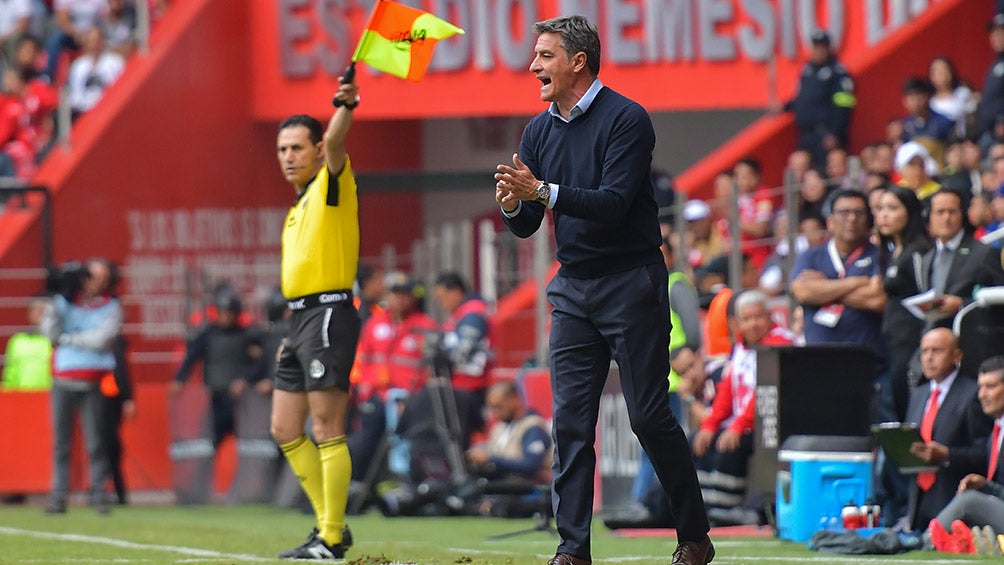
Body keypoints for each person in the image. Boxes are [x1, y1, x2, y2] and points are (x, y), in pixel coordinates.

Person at [493, 15, 712, 565]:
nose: (532, 66)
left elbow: (613, 205)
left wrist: (540, 189)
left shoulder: (627, 119)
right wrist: (514, 204)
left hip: (631, 282)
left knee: (647, 417)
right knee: (569, 421)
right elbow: (528, 224)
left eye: (544, 56)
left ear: (577, 62)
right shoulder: (538, 130)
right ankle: (572, 551)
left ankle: (694, 535)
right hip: (572, 286)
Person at [269, 75, 362, 560]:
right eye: (282, 148)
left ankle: (329, 535)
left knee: (327, 427)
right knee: (285, 429)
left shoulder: (331, 181)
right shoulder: (301, 201)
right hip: (300, 320)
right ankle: (332, 527)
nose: (287, 156)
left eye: (296, 147)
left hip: (329, 313)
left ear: (317, 149)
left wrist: (344, 104)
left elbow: (339, 138)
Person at [692, 290, 793, 526]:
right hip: (745, 423)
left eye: (759, 317)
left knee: (730, 446)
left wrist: (738, 426)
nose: (753, 323)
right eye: (747, 319)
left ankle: (728, 509)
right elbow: (727, 390)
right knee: (698, 441)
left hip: (774, 423)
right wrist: (709, 425)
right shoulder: (740, 346)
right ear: (737, 323)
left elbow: (765, 393)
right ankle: (702, 508)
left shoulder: (780, 343)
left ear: (770, 317)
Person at [40, 257, 122, 515]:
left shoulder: (111, 306)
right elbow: (47, 332)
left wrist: (68, 339)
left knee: (95, 442)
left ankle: (99, 494)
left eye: (99, 277)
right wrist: (57, 298)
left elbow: (99, 340)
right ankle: (58, 497)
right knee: (60, 443)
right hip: (63, 378)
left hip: (92, 380)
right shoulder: (64, 302)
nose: (93, 282)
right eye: (90, 276)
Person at [790, 189, 887, 390]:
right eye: (844, 213)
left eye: (859, 213)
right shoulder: (810, 256)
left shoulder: (880, 254)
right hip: (819, 367)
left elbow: (877, 299)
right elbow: (802, 291)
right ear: (830, 221)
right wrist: (857, 282)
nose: (851, 219)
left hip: (869, 369)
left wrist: (824, 286)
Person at [903, 328, 992, 533]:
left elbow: (985, 453)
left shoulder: (973, 394)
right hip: (919, 498)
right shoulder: (919, 394)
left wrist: (946, 454)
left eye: (937, 351)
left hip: (953, 496)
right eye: (924, 351)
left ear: (957, 355)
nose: (928, 358)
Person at [927, 356, 1004, 555]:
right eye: (981, 387)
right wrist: (985, 485)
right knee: (967, 495)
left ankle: (926, 541)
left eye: (990, 387)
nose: (982, 395)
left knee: (969, 501)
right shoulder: (997, 429)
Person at [170, 288, 260, 448]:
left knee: (247, 446)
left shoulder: (247, 336)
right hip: (215, 398)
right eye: (223, 312)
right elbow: (191, 356)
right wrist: (180, 379)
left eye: (230, 312)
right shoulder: (208, 335)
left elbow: (260, 364)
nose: (226, 316)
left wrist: (246, 380)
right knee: (207, 445)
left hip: (242, 401)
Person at [785, 29, 855, 168]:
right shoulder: (807, 70)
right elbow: (803, 99)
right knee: (797, 164)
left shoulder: (838, 73)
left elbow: (844, 105)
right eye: (815, 47)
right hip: (806, 134)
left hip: (826, 133)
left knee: (829, 168)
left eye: (820, 48)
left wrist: (835, 133)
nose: (816, 51)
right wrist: (785, 107)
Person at [432, 271, 493, 412]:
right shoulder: (460, 314)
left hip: (473, 386)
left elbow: (463, 349)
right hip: (463, 385)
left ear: (455, 292)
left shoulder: (472, 313)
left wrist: (440, 355)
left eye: (443, 297)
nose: (442, 303)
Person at [99, 333, 135, 505]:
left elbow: (121, 370)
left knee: (107, 445)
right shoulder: (113, 339)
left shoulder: (113, 340)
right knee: (107, 445)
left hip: (107, 397)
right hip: (106, 396)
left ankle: (109, 490)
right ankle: (109, 489)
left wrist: (128, 397)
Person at [66, 25, 125, 121]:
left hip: (108, 110)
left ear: (103, 41)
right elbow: (75, 96)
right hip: (83, 113)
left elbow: (120, 90)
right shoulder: (78, 66)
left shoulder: (116, 62)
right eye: (91, 40)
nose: (95, 44)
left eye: (97, 40)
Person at [1, 295, 52, 390]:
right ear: (30, 313)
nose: (41, 315)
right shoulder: (17, 340)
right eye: (38, 310)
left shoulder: (56, 341)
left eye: (45, 311)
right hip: (22, 396)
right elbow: (10, 371)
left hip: (49, 396)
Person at [979, 14, 1004, 154]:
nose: (997, 37)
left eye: (1001, 32)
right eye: (994, 33)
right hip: (989, 133)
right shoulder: (994, 65)